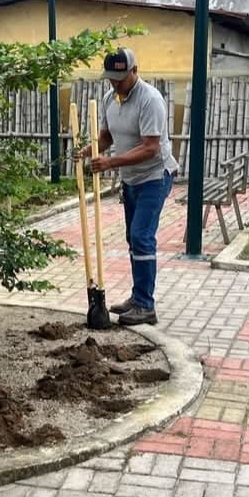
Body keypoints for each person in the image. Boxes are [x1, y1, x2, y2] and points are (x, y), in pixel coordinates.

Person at [75, 47, 179, 326]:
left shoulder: (150, 100)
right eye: (111, 77)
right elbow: (106, 137)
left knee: (142, 236)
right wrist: (87, 151)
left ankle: (146, 306)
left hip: (155, 176)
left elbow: (150, 148)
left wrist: (110, 163)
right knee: (133, 239)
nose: (116, 83)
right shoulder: (110, 98)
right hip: (131, 178)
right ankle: (137, 297)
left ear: (135, 71)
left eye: (121, 78)